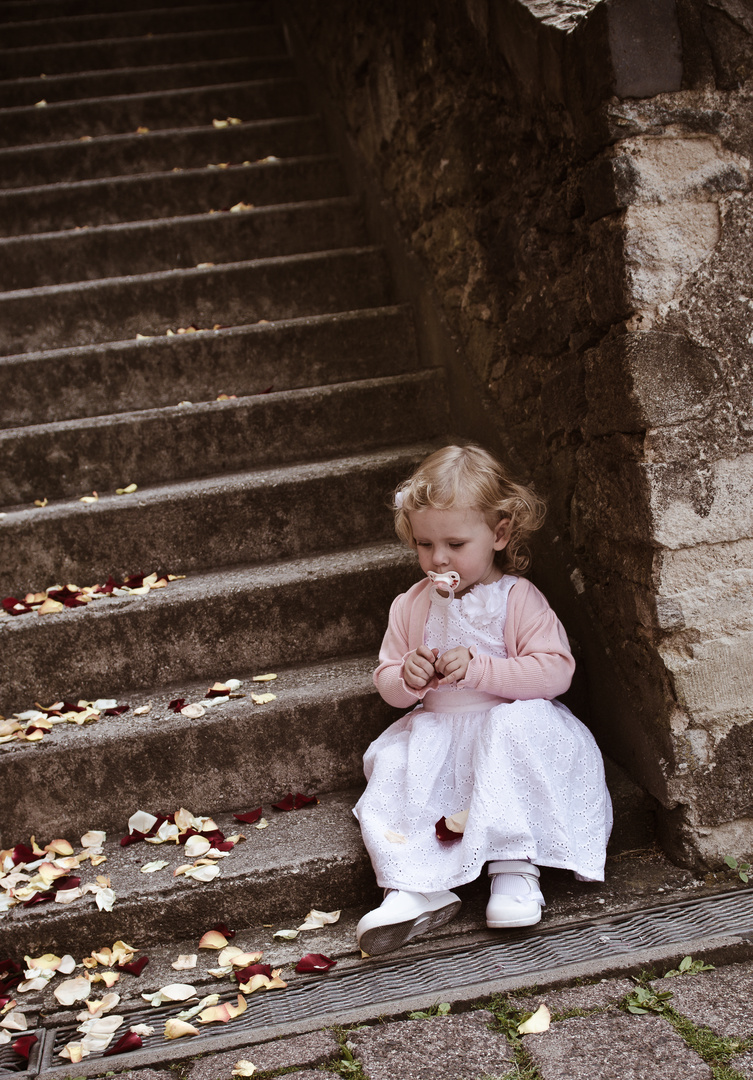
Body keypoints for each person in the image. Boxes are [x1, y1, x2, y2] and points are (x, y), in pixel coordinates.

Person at [353, 444, 612, 956]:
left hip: (506, 727)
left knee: (513, 741)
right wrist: (408, 678)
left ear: (498, 534)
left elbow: (556, 669)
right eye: (426, 545)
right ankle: (412, 887)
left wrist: (483, 668)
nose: (439, 558)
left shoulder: (518, 599)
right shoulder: (411, 605)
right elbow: (386, 677)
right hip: (440, 732)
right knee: (398, 773)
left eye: (454, 542)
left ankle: (515, 869)